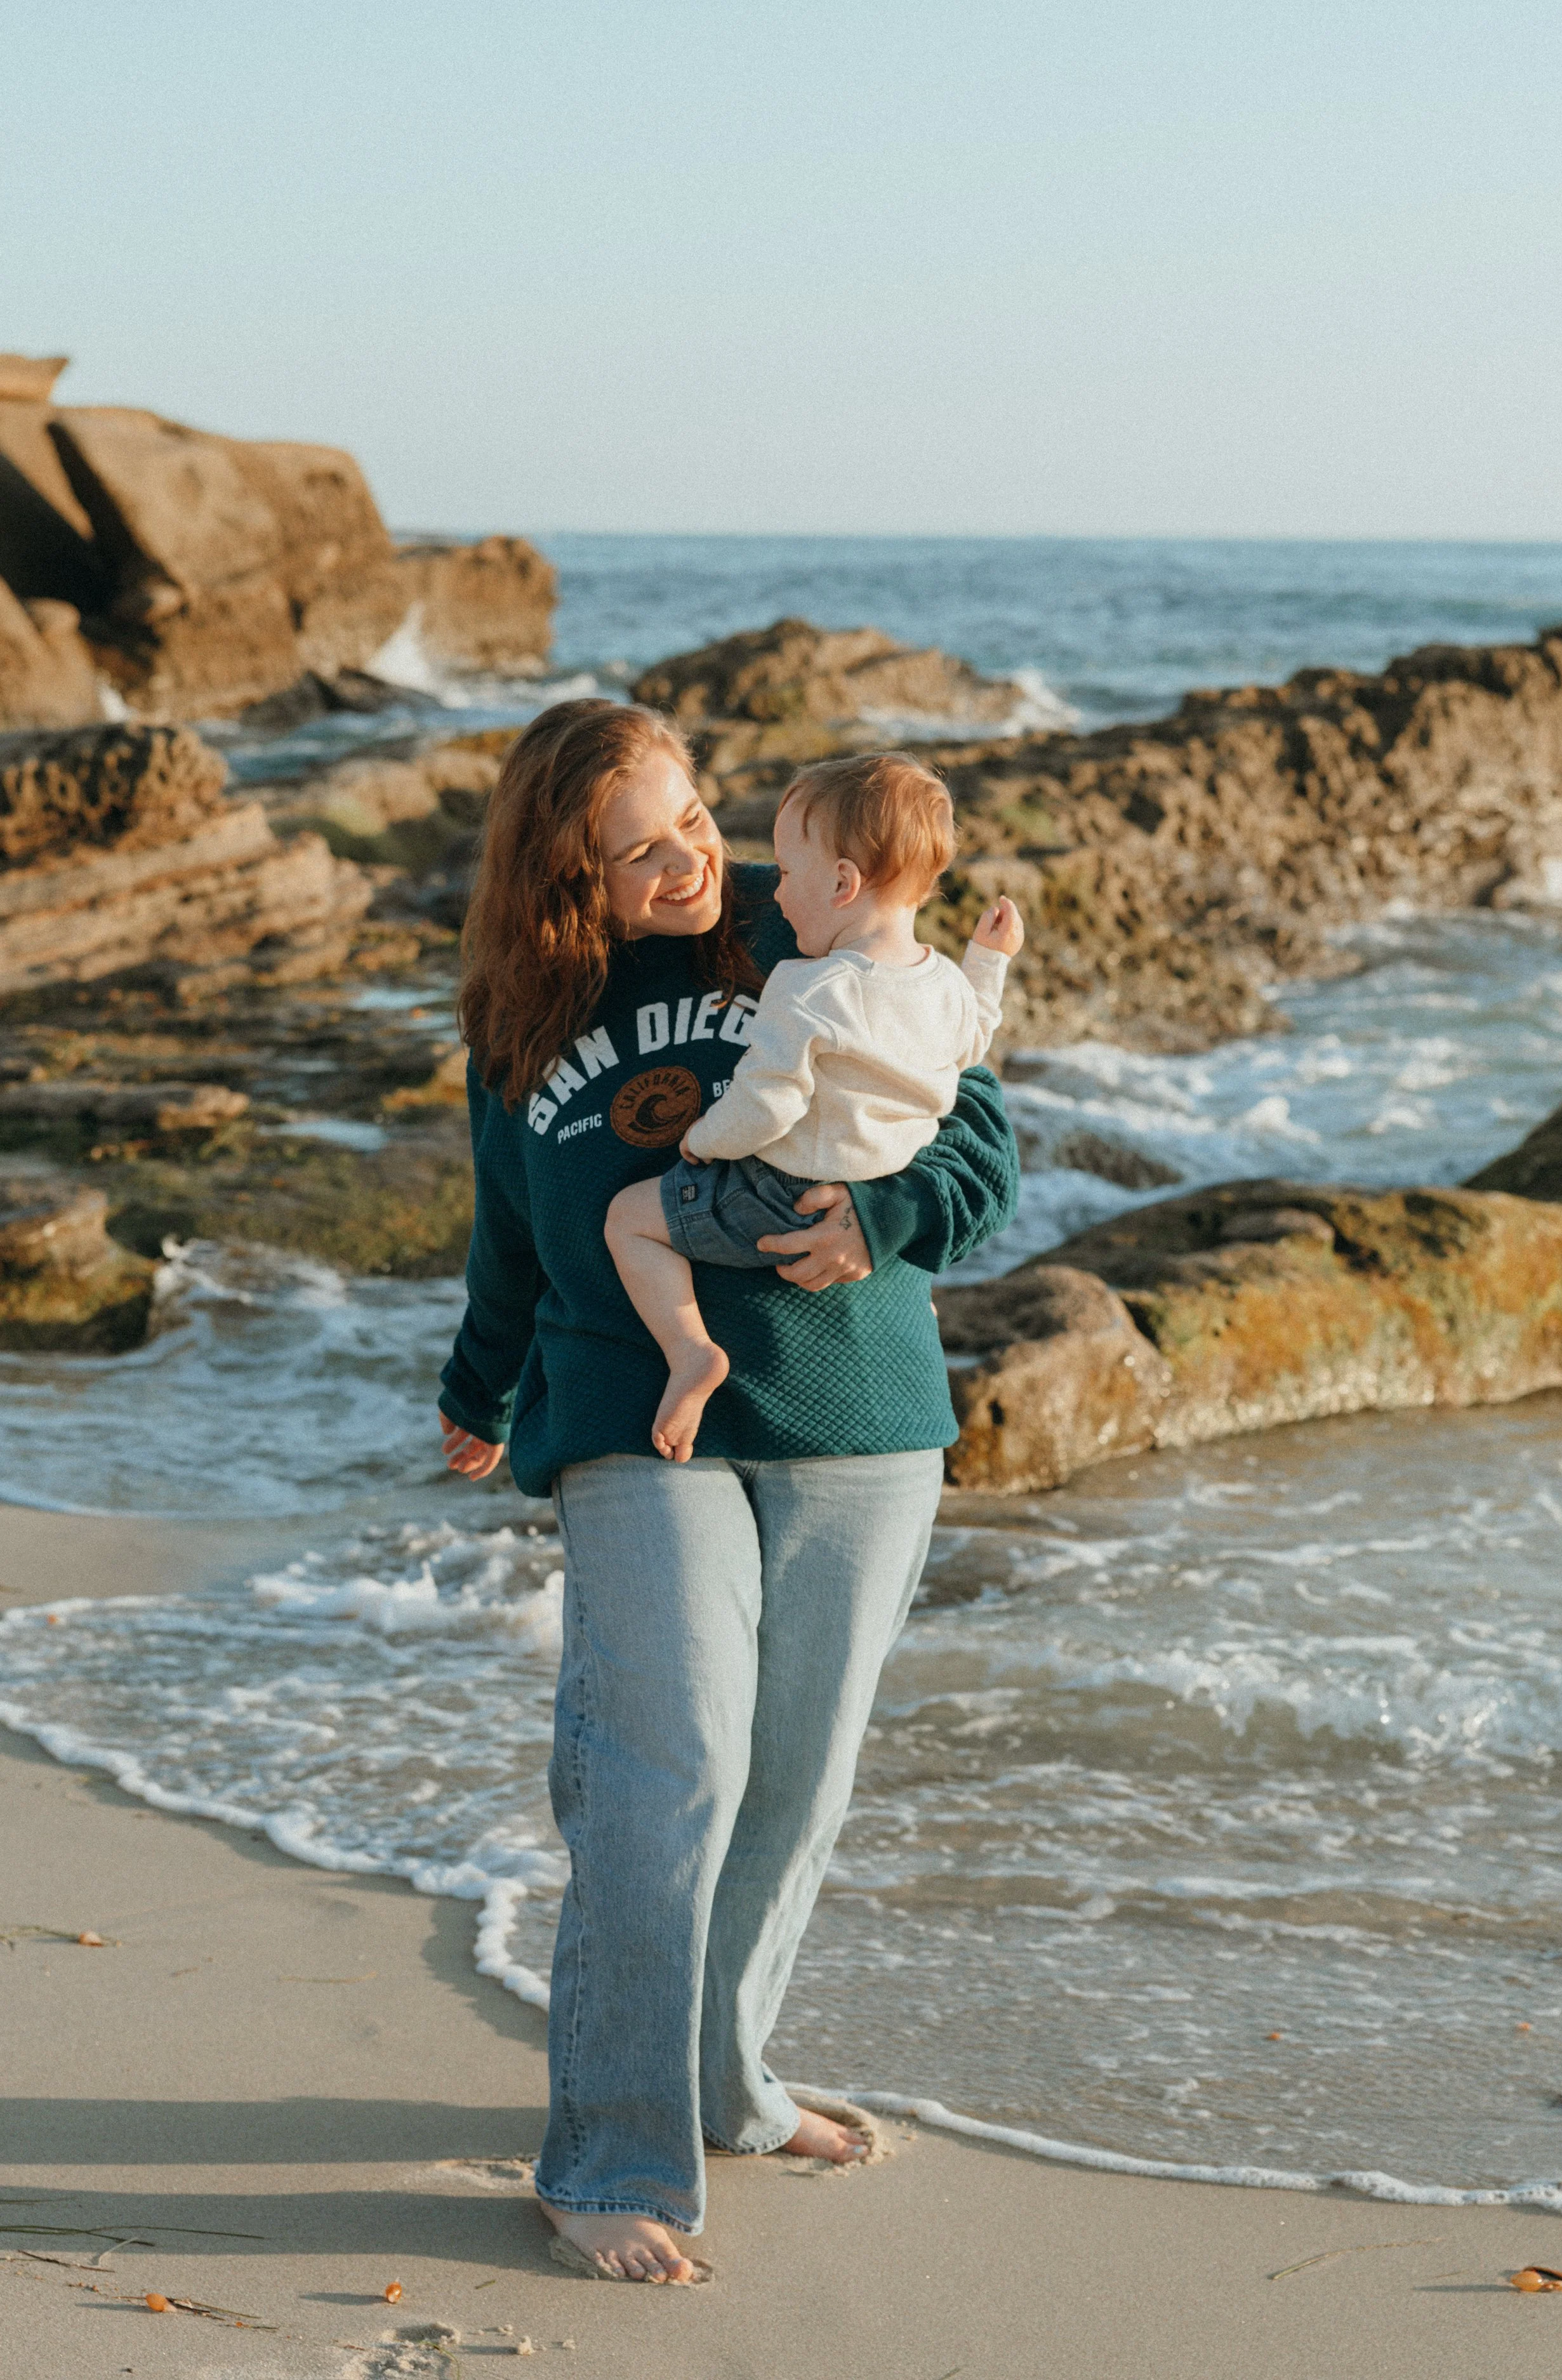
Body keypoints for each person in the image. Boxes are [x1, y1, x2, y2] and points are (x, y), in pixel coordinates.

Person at [437, 699, 1018, 2284]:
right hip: (638, 1414)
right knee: (660, 1771)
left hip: (863, 1408)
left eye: (694, 815)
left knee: (796, 1778)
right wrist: (476, 1390)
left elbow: (979, 1126)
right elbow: (508, 1227)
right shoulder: (521, 1008)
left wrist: (884, 1226)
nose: (688, 857)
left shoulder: (806, 912)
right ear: (565, 868)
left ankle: (724, 2085)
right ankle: (611, 2155)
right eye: (638, 848)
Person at [602, 751, 1024, 1460]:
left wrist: (704, 1141)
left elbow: (767, 1105)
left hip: (781, 1194)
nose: (777, 890)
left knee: (631, 1222)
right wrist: (990, 960)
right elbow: (973, 1039)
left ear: (840, 882)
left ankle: (689, 1351)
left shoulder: (808, 988)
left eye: (789, 873)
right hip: (874, 1186)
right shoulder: (944, 984)